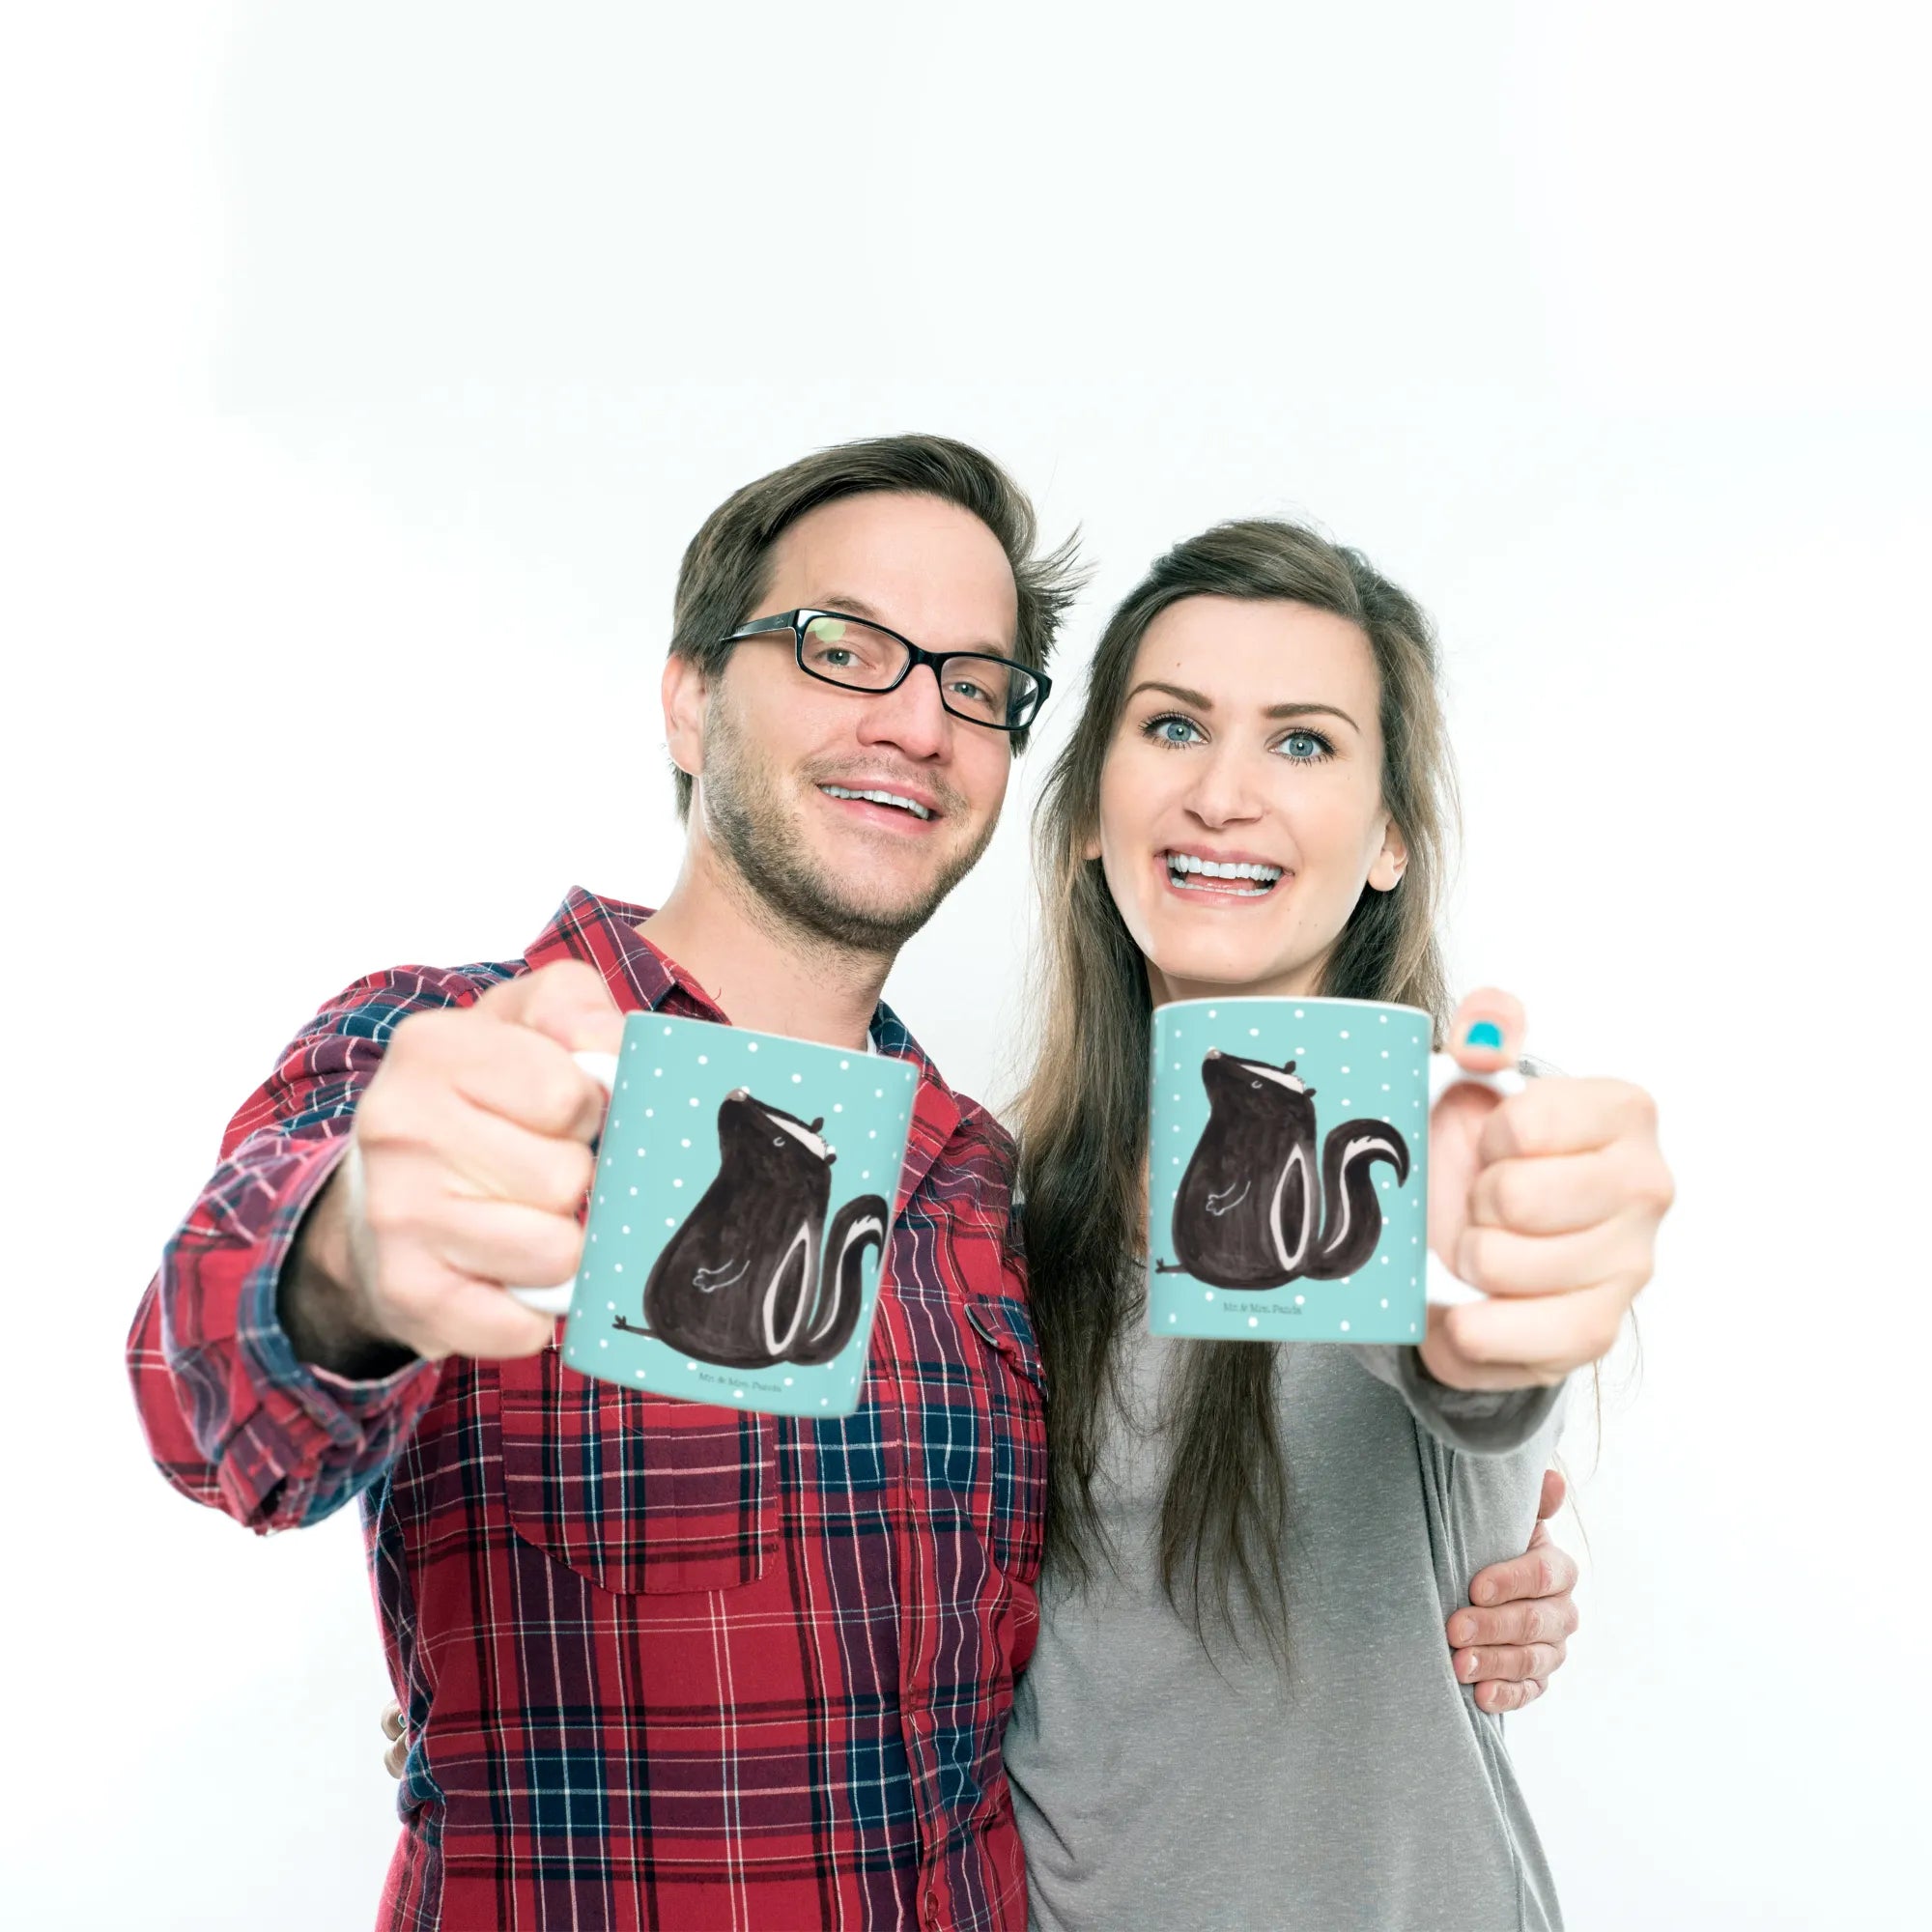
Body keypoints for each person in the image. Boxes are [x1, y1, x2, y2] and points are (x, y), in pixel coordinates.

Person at [128, 436, 1583, 1931]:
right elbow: (204, 1388)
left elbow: (1416, 1386)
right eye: (844, 647)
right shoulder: (458, 1054)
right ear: (691, 695)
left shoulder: (981, 1192)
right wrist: (350, 1265)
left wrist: (1489, 1493)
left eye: (973, 683)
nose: (916, 721)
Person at [1003, 520, 1673, 1930]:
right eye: (1173, 726)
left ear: (1388, 842)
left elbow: (1471, 1360)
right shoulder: (994, 1204)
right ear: (1087, 813)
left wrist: (1505, 1303)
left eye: (1302, 742)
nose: (1223, 794)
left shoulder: (1439, 1143)